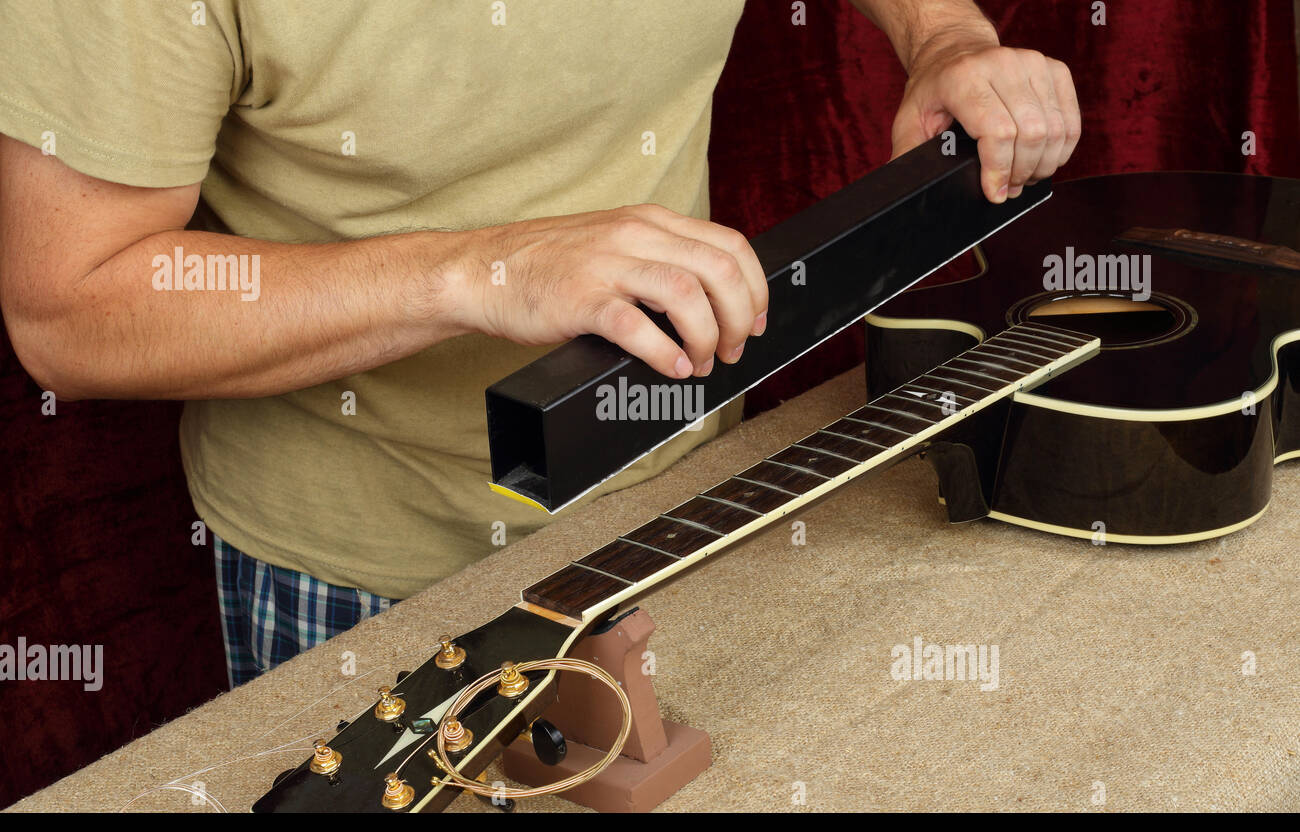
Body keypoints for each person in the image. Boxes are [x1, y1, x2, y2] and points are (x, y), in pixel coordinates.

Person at [0, 0, 1079, 686]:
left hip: (694, 486)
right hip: (370, 566)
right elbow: (68, 310)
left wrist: (943, 33)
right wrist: (482, 270)